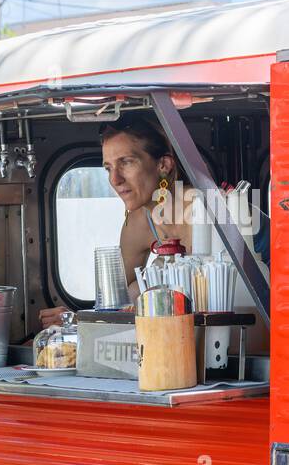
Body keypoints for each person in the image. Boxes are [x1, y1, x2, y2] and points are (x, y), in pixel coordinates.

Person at [40, 116, 197, 328]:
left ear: (163, 164)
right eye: (108, 168)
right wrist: (76, 320)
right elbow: (115, 304)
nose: (115, 180)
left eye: (126, 162)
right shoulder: (138, 223)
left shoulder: (206, 211)